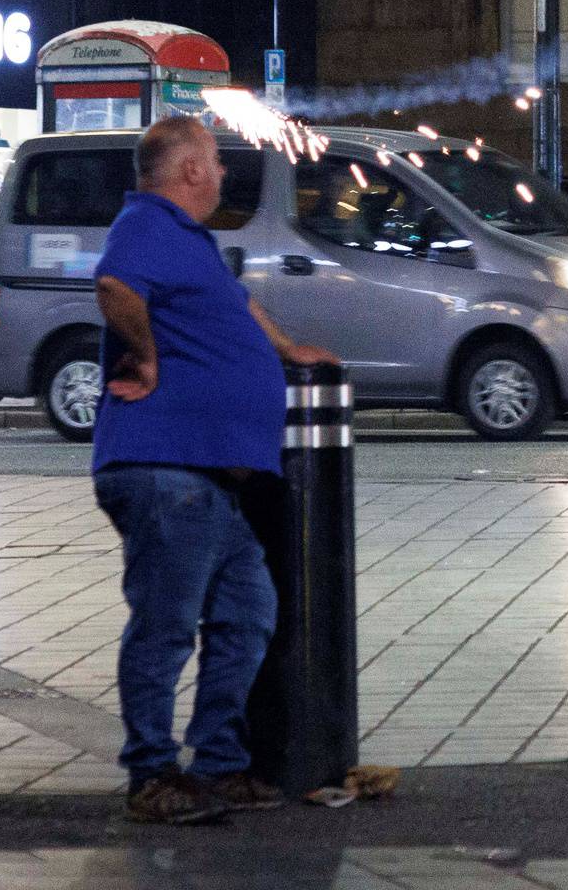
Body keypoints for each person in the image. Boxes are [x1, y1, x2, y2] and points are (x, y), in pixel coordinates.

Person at [92, 117, 337, 824]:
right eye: (217, 164)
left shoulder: (189, 243)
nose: (226, 174)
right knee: (165, 626)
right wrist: (144, 356)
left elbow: (238, 308)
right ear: (190, 170)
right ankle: (152, 774)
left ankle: (220, 764)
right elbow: (115, 288)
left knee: (248, 613)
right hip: (166, 465)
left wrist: (287, 349)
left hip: (205, 479)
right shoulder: (146, 222)